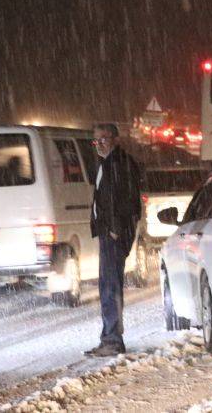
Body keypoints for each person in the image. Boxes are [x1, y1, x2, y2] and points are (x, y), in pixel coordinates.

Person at [84, 122, 144, 357]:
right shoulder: (107, 163)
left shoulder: (120, 164)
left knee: (110, 286)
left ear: (116, 139)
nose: (99, 144)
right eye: (96, 140)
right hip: (108, 231)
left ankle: (112, 339)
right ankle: (109, 337)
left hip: (113, 233)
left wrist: (116, 229)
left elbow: (127, 199)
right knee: (108, 285)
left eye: (104, 139)